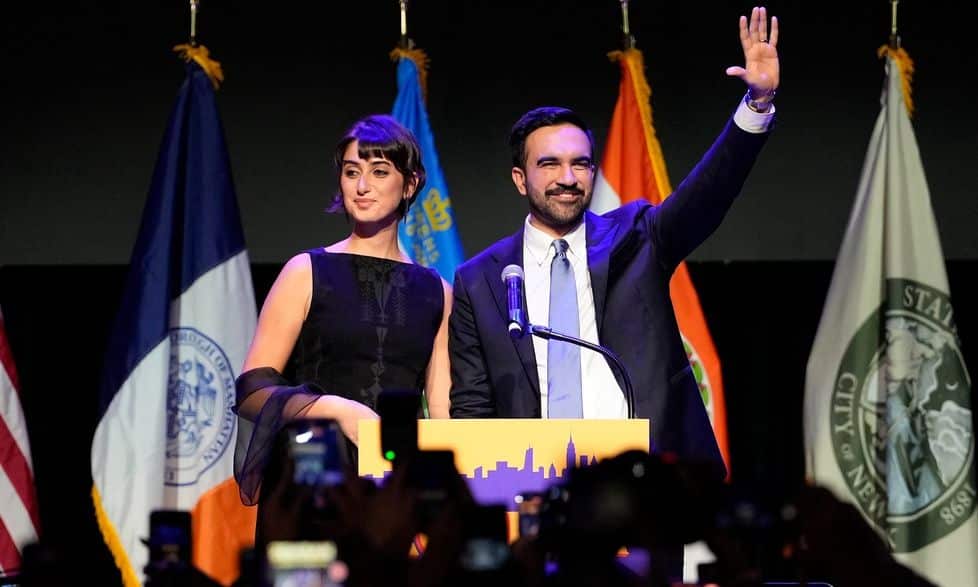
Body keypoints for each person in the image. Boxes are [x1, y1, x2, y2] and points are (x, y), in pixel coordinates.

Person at [448, 7, 780, 479]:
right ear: (520, 179)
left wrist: (756, 105)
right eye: (550, 164)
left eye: (580, 164)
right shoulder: (480, 280)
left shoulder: (638, 237)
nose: (568, 178)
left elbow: (707, 195)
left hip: (647, 481)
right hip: (537, 484)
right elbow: (472, 408)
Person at [232, 114, 453, 542]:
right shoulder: (306, 271)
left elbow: (441, 411)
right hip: (312, 482)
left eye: (379, 172)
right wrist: (337, 409)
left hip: (392, 489)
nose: (362, 185)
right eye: (352, 172)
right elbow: (253, 390)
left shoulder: (438, 291)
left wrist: (435, 501)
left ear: (410, 185)